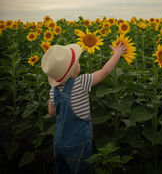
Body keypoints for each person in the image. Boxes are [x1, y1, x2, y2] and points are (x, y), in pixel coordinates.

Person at [41, 41, 126, 174]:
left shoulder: (53, 91)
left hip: (59, 144)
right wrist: (117, 53)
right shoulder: (81, 82)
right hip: (77, 144)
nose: (79, 64)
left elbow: (51, 112)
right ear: (73, 72)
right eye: (77, 63)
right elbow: (104, 72)